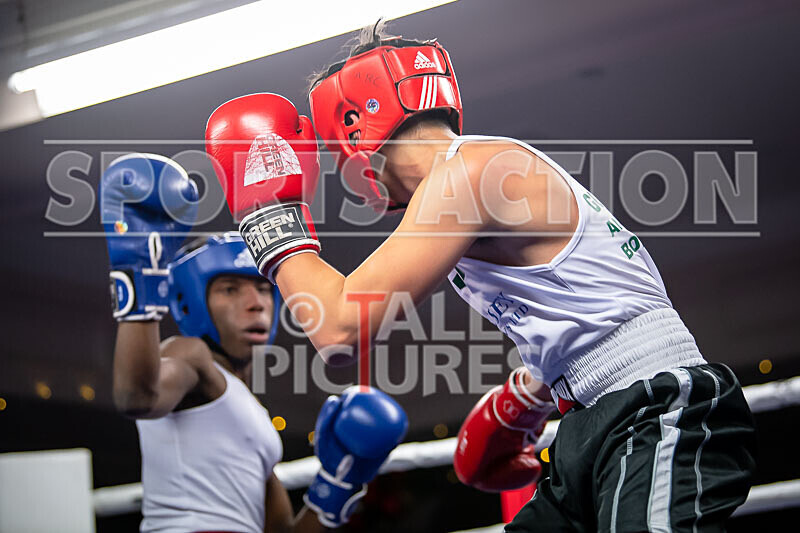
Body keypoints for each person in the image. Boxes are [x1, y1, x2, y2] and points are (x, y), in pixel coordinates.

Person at [204, 21, 757, 532]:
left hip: (657, 410)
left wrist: (267, 217)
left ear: (353, 127)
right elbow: (592, 302)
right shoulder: (476, 178)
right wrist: (530, 395)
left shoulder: (469, 174)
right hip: (600, 416)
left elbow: (340, 331)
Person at [100, 152, 408, 532]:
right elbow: (137, 396)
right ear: (191, 301)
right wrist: (137, 275)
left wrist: (339, 483)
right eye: (230, 290)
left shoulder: (250, 412)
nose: (255, 303)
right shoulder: (190, 357)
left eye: (264, 288)